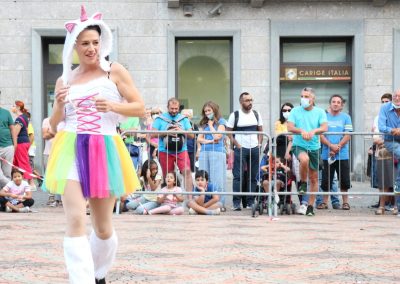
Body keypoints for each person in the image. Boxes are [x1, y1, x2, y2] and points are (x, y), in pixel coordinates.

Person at [43, 6, 144, 283]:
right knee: (75, 219)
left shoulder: (115, 71)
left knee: (102, 228)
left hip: (104, 148)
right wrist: (58, 106)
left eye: (95, 42)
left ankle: (98, 273)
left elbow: (140, 108)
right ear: (74, 46)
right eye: (85, 43)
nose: (91, 48)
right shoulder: (65, 79)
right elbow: (53, 126)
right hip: (70, 148)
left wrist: (112, 105)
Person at [287, 87, 328, 216]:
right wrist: (301, 131)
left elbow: (324, 127)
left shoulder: (320, 112)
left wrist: (314, 131)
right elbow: (290, 127)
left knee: (315, 179)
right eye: (302, 96)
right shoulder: (295, 111)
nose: (303, 99)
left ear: (312, 98)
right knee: (304, 159)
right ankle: (303, 183)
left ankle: (310, 206)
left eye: (306, 96)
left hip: (314, 146)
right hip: (299, 144)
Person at [226, 92, 263, 211]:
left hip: (254, 149)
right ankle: (236, 203)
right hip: (240, 149)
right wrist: (237, 145)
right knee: (238, 176)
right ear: (241, 102)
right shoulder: (235, 115)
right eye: (247, 100)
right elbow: (228, 132)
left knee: (253, 176)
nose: (250, 102)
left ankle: (250, 202)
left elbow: (261, 130)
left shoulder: (256, 114)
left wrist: (259, 144)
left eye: (251, 100)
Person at [151, 98, 194, 193]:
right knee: (168, 175)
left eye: (176, 108)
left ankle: (190, 198)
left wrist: (181, 131)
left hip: (181, 150)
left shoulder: (184, 119)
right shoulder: (160, 118)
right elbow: (152, 134)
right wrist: (167, 132)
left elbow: (192, 135)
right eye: (172, 108)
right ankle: (168, 198)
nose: (174, 111)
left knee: (187, 172)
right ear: (167, 107)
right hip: (164, 151)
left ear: (179, 108)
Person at [319, 94, 353, 210]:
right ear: (330, 103)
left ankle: (345, 202)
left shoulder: (346, 117)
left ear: (342, 105)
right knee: (326, 180)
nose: (336, 104)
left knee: (344, 180)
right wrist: (330, 146)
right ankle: (324, 202)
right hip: (326, 153)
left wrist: (337, 147)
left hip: (342, 154)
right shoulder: (323, 117)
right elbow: (320, 135)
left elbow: (348, 134)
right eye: (334, 101)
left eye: (338, 102)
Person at [197, 101, 227, 211]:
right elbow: (199, 139)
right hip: (205, 152)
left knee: (217, 178)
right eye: (205, 111)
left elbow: (218, 136)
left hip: (218, 152)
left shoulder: (221, 122)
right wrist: (209, 141)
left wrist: (211, 126)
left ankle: (220, 203)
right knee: (203, 177)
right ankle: (205, 202)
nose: (207, 113)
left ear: (214, 110)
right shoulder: (203, 123)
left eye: (209, 110)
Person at [378, 89, 400, 217]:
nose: (397, 98)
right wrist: (394, 131)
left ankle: (397, 205)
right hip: (390, 140)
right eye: (395, 96)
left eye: (399, 96)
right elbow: (381, 127)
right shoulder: (385, 108)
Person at [11, 100, 36, 190]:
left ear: (18, 107)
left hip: (21, 143)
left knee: (23, 162)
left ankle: (31, 183)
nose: (12, 107)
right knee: (16, 163)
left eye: (13, 106)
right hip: (24, 142)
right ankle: (21, 183)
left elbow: (15, 133)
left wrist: (14, 144)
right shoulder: (24, 117)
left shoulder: (19, 119)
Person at [0, 96, 15, 188]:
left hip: (7, 146)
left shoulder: (6, 113)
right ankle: (14, 187)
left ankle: (6, 199)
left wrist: (15, 144)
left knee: (7, 174)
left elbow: (12, 129)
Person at [181, 109, 199, 173]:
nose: (186, 118)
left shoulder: (194, 126)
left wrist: (198, 150)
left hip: (192, 150)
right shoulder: (180, 126)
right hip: (182, 150)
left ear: (190, 117)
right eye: (184, 116)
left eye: (187, 116)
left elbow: (197, 138)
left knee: (193, 168)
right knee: (184, 169)